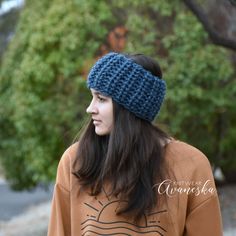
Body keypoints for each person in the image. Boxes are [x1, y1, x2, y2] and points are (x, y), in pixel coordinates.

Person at [47, 52, 223, 236]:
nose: (90, 108)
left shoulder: (192, 165)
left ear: (130, 108)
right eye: (92, 97)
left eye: (101, 99)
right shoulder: (76, 162)